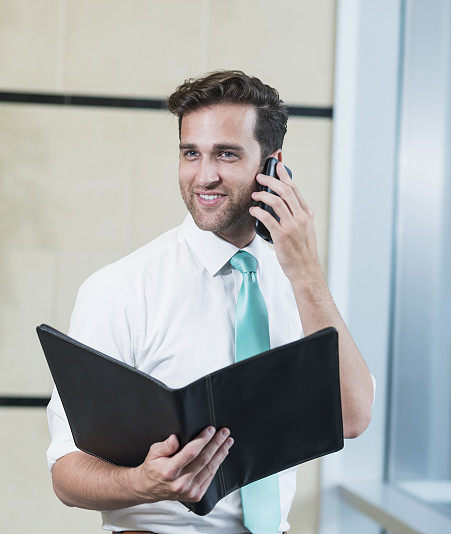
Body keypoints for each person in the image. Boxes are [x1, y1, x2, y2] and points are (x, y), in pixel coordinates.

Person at [44, 70, 376, 534]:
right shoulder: (120, 291)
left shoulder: (299, 285)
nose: (205, 175)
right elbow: (66, 473)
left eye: (226, 153)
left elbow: (355, 416)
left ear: (272, 165)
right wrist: (144, 483)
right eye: (190, 153)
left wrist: (306, 273)